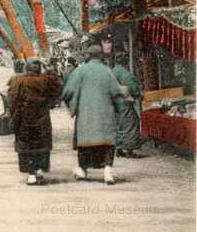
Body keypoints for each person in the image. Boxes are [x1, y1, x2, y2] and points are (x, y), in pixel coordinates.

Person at [62, 44, 125, 185]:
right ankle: (107, 170)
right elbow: (117, 93)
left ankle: (83, 170)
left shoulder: (80, 71)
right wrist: (119, 110)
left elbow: (67, 92)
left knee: (85, 142)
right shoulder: (108, 72)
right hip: (105, 115)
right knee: (106, 142)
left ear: (88, 56)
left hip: (85, 114)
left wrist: (73, 106)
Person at [8, 57, 61, 186]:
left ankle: (31, 173)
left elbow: (12, 99)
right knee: (41, 144)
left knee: (27, 145)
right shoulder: (46, 79)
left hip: (24, 118)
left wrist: (13, 115)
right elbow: (57, 88)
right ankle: (39, 170)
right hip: (42, 117)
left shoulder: (19, 80)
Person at [112, 53, 142, 158]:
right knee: (130, 124)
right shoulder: (125, 73)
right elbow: (132, 88)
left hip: (113, 102)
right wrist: (137, 94)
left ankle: (118, 149)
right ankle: (129, 150)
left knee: (117, 125)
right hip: (124, 102)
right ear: (125, 61)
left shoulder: (111, 72)